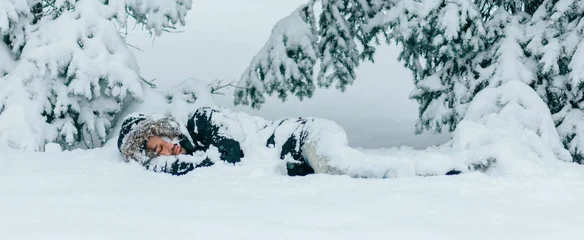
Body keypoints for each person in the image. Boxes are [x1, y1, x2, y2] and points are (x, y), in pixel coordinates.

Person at [117, 106, 463, 178]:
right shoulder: (190, 153)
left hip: (305, 136)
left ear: (162, 129)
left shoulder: (201, 120)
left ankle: (434, 172)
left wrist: (176, 166)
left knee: (347, 170)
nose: (168, 150)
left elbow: (231, 156)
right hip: (300, 159)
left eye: (161, 143)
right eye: (158, 155)